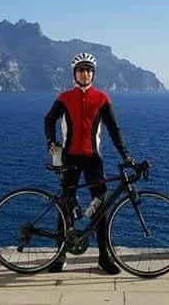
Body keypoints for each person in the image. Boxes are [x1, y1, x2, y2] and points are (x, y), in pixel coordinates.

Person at [44, 52, 132, 275]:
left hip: (93, 159)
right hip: (70, 158)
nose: (86, 74)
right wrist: (51, 141)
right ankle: (60, 255)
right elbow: (49, 119)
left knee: (101, 205)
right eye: (82, 70)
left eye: (89, 70)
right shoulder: (64, 97)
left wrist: (126, 156)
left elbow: (114, 130)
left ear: (93, 73)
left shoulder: (102, 98)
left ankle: (104, 257)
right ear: (75, 73)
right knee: (65, 205)